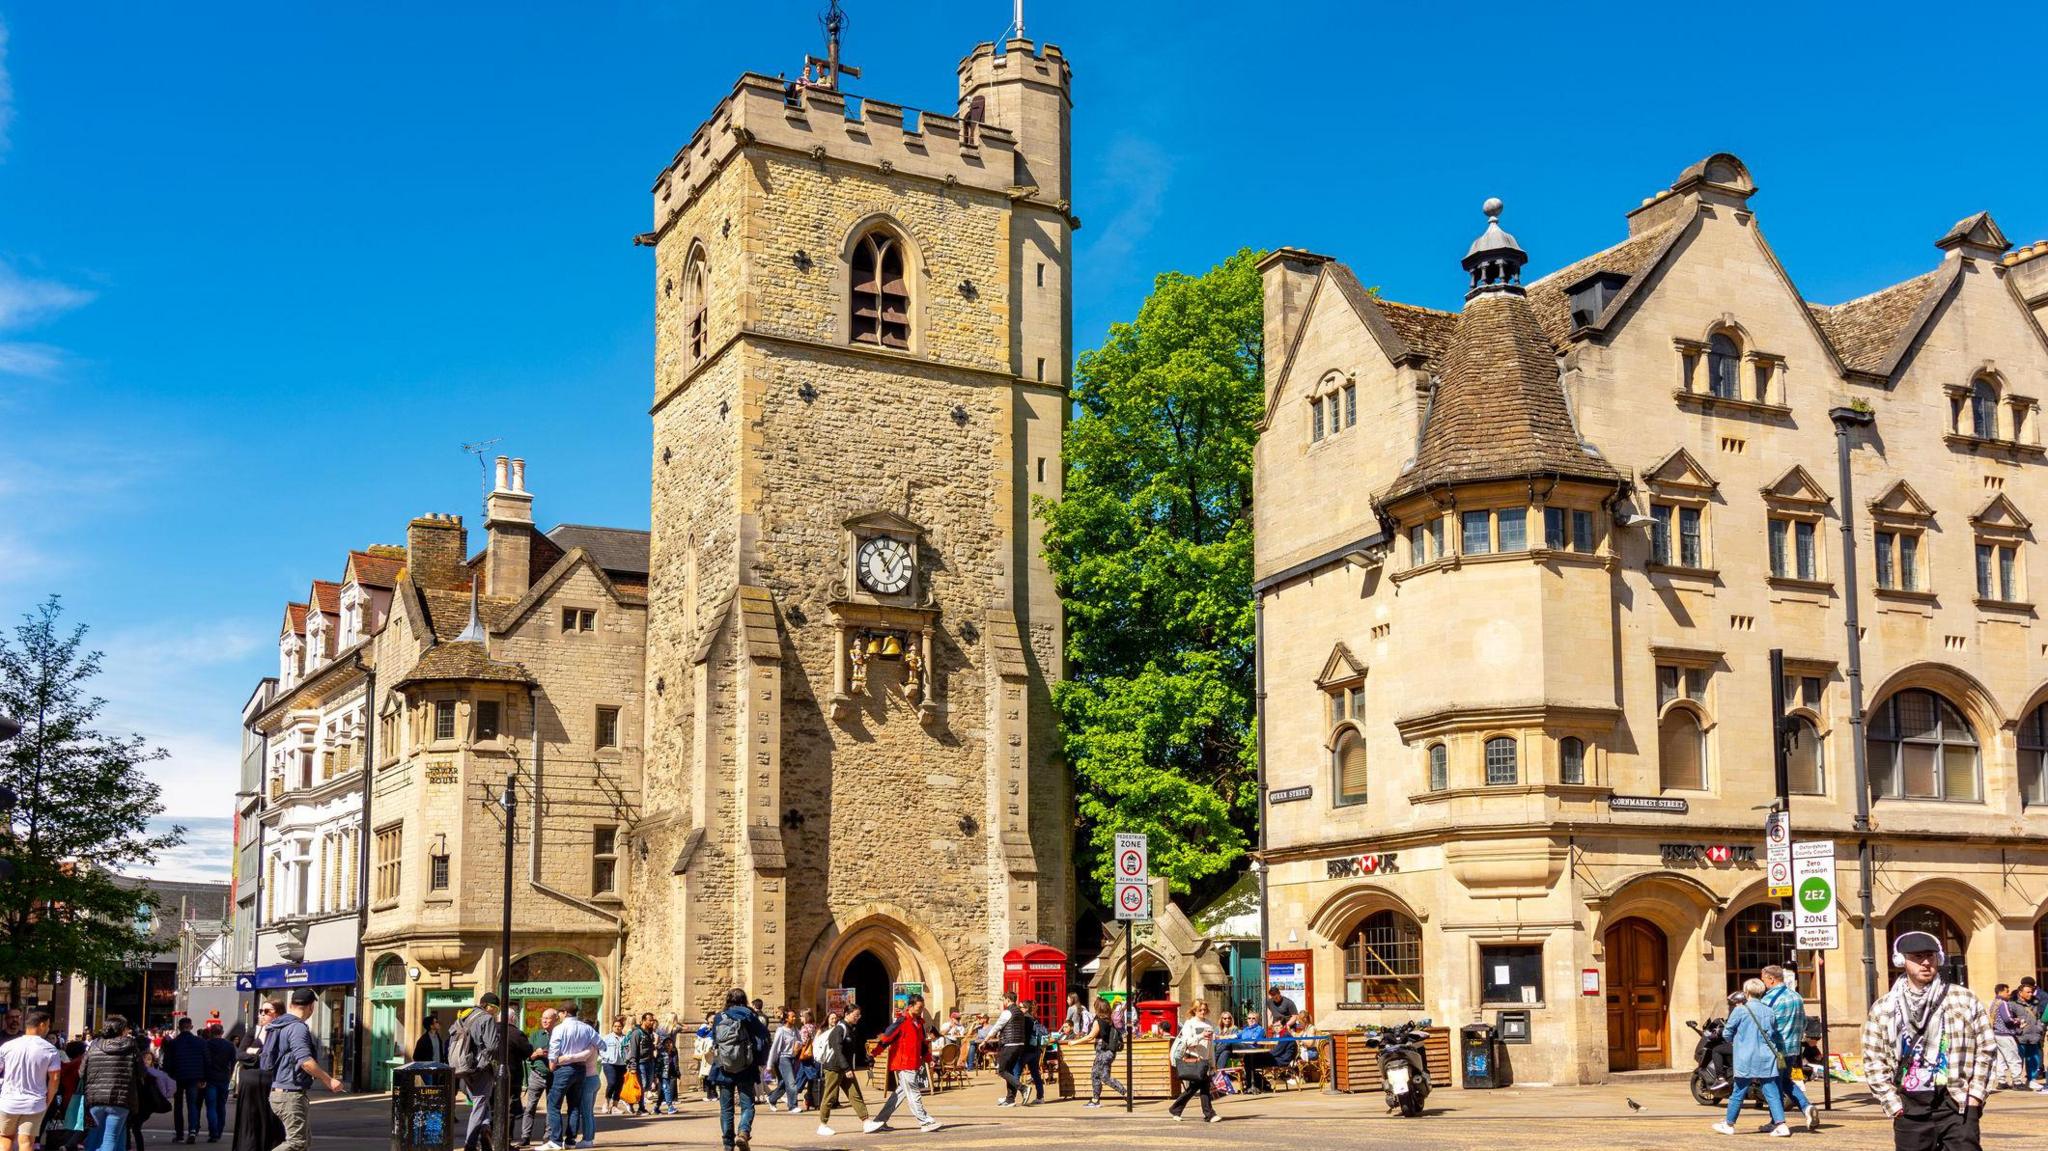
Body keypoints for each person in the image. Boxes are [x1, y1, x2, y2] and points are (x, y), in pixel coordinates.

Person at [1859, 929, 1995, 1151]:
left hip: (1956, 1100)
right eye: (1916, 957)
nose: (1925, 963)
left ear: (1938, 959)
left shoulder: (1963, 999)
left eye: (1930, 956)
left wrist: (1975, 1097)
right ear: (1901, 961)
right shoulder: (1885, 1007)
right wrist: (1893, 1105)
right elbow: (1873, 1059)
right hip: (1910, 1105)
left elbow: (1986, 1049)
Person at [257, 989, 343, 1151]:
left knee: (303, 1143)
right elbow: (305, 1062)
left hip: (281, 1090)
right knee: (297, 1143)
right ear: (311, 1007)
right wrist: (329, 1080)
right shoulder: (297, 1028)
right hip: (290, 1094)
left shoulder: (280, 1024)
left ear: (291, 1004)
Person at [1714, 978, 1790, 1136]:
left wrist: (1738, 1038)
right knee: (1772, 1091)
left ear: (1746, 992)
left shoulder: (1740, 1010)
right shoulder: (1769, 1011)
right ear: (1762, 992)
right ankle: (1781, 1125)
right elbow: (1774, 1033)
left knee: (1738, 1091)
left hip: (1746, 1057)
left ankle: (1729, 1124)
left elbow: (1727, 1034)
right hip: (1767, 1057)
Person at [863, 993, 939, 1134]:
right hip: (904, 1063)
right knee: (914, 1092)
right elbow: (886, 1038)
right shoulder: (902, 1021)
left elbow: (923, 1045)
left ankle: (879, 1121)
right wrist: (873, 1053)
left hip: (914, 1063)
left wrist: (929, 1060)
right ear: (910, 1006)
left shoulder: (920, 1023)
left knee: (899, 1095)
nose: (921, 1010)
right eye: (919, 1007)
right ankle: (924, 1121)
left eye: (922, 1007)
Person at [706, 989, 768, 1151]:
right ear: (744, 1000)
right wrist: (761, 1060)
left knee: (726, 1108)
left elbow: (715, 1039)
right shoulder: (750, 1015)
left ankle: (728, 1144)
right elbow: (763, 1036)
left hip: (723, 1067)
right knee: (747, 1105)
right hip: (746, 1067)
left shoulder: (720, 1016)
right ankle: (743, 1132)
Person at [1759, 965, 1819, 1131]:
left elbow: (1765, 1026)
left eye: (1764, 979)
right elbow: (1804, 1022)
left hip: (1776, 1050)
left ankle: (1776, 1121)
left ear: (1771, 979)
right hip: (1793, 1049)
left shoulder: (1768, 1000)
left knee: (1773, 1083)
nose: (1763, 983)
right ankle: (1807, 1107)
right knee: (1785, 1081)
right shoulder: (1796, 996)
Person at [81, 1017, 144, 1151]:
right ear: (121, 1030)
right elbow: (141, 1072)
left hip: (95, 1098)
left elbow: (81, 1072)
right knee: (112, 1136)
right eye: (126, 1028)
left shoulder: (93, 1046)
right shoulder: (131, 1046)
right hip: (120, 1097)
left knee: (94, 1135)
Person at [2, 1010, 61, 1151]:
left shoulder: (8, 1046)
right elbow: (55, 1079)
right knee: (27, 1141)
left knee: (5, 1137)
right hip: (35, 1103)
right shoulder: (50, 1049)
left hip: (8, 1101)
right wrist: (49, 1099)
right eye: (47, 1025)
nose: (48, 1029)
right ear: (41, 1025)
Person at [451, 994, 503, 1151]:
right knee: (480, 1103)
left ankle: (485, 1128)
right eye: (495, 1009)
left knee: (480, 1101)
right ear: (488, 1006)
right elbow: (493, 1046)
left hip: (462, 1068)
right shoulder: (486, 1018)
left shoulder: (464, 1016)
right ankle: (470, 1144)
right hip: (479, 1068)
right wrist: (487, 1061)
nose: (495, 1012)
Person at [541, 1004, 596, 1151]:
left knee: (553, 1105)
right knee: (574, 1106)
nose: (559, 1016)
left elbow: (554, 1049)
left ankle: (556, 1141)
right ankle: (571, 1141)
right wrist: (583, 1053)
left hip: (564, 1069)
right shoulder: (587, 1028)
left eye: (559, 1013)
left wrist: (553, 1065)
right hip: (580, 1069)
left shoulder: (560, 1028)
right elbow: (602, 1045)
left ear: (565, 1013)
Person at [229, 1004, 282, 1151]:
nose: (262, 1014)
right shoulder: (254, 1031)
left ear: (277, 1014)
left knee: (269, 1120)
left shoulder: (280, 1032)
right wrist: (259, 1056)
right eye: (260, 1011)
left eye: (267, 1011)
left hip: (269, 1083)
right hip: (250, 1084)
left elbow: (273, 1056)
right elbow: (240, 1054)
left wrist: (254, 1052)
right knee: (249, 1121)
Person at [812, 1008, 866, 1138]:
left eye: (859, 1015)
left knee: (855, 1094)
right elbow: (837, 1050)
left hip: (844, 1067)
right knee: (830, 1096)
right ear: (847, 1014)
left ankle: (866, 1121)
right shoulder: (840, 1029)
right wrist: (846, 1068)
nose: (858, 1017)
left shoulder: (850, 1028)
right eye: (855, 1015)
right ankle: (822, 1124)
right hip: (834, 1067)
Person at [1166, 1001, 1220, 1123]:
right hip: (1194, 1059)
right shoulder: (1189, 1024)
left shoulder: (1209, 1024)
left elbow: (1211, 1046)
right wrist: (1201, 1035)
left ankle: (1176, 1109)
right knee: (1201, 1087)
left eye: (1205, 1010)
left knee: (1196, 1087)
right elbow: (1188, 1042)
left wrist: (1212, 1063)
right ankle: (1209, 1114)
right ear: (1194, 1010)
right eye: (1200, 1010)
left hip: (1205, 1060)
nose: (1203, 1012)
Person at [157, 1018, 205, 1147]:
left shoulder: (173, 1043)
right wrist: (203, 1078)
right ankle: (193, 1131)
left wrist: (168, 1076)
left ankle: (179, 1134)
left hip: (177, 1076)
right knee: (192, 1104)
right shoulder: (200, 1042)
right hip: (194, 1076)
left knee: (178, 1106)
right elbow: (206, 1060)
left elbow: (167, 1062)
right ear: (191, 1027)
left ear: (179, 1027)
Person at [514, 1009, 555, 1149]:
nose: (544, 1020)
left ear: (555, 1020)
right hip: (536, 1075)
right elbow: (528, 1056)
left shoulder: (559, 1035)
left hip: (554, 1076)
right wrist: (536, 1054)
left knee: (552, 1108)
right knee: (530, 1108)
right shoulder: (536, 1035)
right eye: (543, 1018)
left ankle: (547, 1137)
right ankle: (525, 1137)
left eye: (548, 1018)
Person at [1083, 996, 1128, 1108]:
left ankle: (1097, 1100)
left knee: (1097, 1074)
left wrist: (1074, 1042)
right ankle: (1096, 1099)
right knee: (1103, 1076)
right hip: (1109, 1052)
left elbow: (1090, 1036)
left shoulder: (1099, 1021)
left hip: (1103, 1051)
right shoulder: (1110, 1020)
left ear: (1098, 1008)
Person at [992, 996, 1035, 1107]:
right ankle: (1010, 1099)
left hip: (1010, 1044)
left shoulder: (1008, 1012)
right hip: (1020, 1044)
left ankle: (1023, 1088)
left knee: (1001, 1070)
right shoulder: (1021, 1014)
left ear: (1007, 999)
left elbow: (997, 1026)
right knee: (1009, 1071)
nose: (1003, 1002)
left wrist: (986, 1039)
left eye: (1003, 1000)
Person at [198, 1026, 233, 1144]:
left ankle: (213, 1132)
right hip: (224, 1078)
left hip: (210, 1078)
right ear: (222, 1033)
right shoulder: (229, 1045)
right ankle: (219, 1130)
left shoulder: (206, 1045)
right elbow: (233, 1061)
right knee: (221, 1105)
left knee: (211, 1106)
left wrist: (202, 1078)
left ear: (211, 1033)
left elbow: (203, 1061)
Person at [764, 1012, 801, 1114]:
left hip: (793, 1058)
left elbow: (800, 1040)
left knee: (785, 1083)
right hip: (783, 1059)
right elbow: (774, 1048)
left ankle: (771, 1099)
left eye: (795, 1016)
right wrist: (769, 1065)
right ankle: (792, 1106)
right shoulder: (781, 1031)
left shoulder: (795, 1029)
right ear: (786, 1018)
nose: (794, 1018)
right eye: (792, 1016)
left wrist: (798, 1044)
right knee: (791, 1083)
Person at [1991, 985, 2026, 1090]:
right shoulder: (2003, 1003)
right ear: (2000, 992)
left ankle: (2001, 1081)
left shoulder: (1994, 1003)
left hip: (1996, 1033)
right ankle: (2017, 1081)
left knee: (2001, 1059)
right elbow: (2008, 1019)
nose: (2009, 993)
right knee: (2013, 1058)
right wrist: (2019, 1021)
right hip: (2005, 1034)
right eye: (2007, 991)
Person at [2015, 980, 2047, 1090]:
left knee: (2033, 1059)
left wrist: (2039, 1028)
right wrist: (2018, 1030)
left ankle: (2031, 1080)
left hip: (2034, 1036)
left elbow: (2039, 1017)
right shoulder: (2013, 1004)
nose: (2030, 994)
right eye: (2028, 992)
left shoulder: (2035, 1003)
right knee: (2018, 1060)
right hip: (2020, 1037)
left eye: (2031, 992)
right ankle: (2017, 1081)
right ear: (2020, 993)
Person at [623, 1015, 654, 1117]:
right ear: (644, 1021)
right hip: (640, 1062)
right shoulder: (637, 1033)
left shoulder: (649, 1032)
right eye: (650, 1020)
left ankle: (631, 1103)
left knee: (647, 1085)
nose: (652, 1022)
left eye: (653, 1020)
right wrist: (633, 1066)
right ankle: (641, 1108)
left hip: (649, 1062)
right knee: (642, 1085)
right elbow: (634, 1050)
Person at [597, 1019, 626, 1117]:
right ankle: (606, 1102)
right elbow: (600, 1049)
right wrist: (605, 1057)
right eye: (615, 1026)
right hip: (609, 1063)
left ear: (622, 1027)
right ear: (612, 1027)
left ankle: (615, 1106)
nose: (617, 1028)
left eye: (619, 1026)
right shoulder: (607, 1038)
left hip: (622, 1064)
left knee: (619, 1084)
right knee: (612, 1082)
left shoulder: (626, 1038)